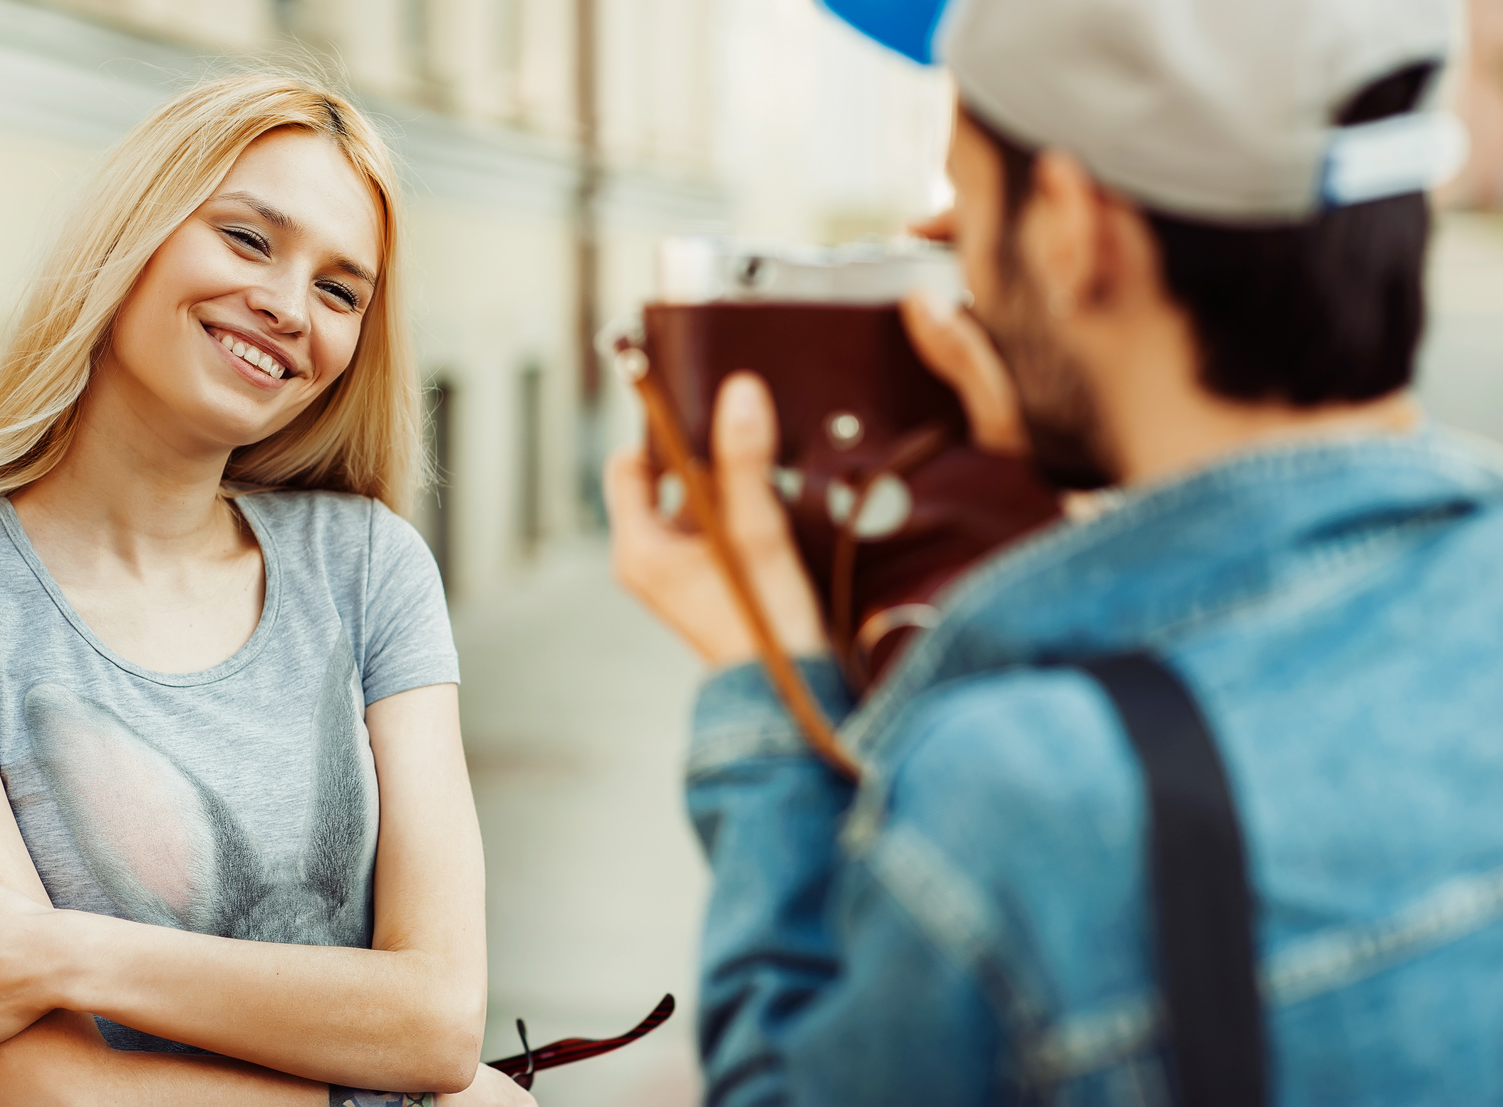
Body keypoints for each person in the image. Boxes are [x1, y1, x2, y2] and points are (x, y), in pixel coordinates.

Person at [607, 0, 1503, 1102]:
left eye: (965, 198)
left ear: (1073, 231)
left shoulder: (1025, 803)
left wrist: (766, 699)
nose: (955, 249)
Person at [0, 74, 532, 1106]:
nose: (289, 308)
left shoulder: (368, 566)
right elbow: (52, 1089)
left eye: (340, 291)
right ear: (136, 235)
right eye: (247, 239)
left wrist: (59, 953)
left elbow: (436, 1021)